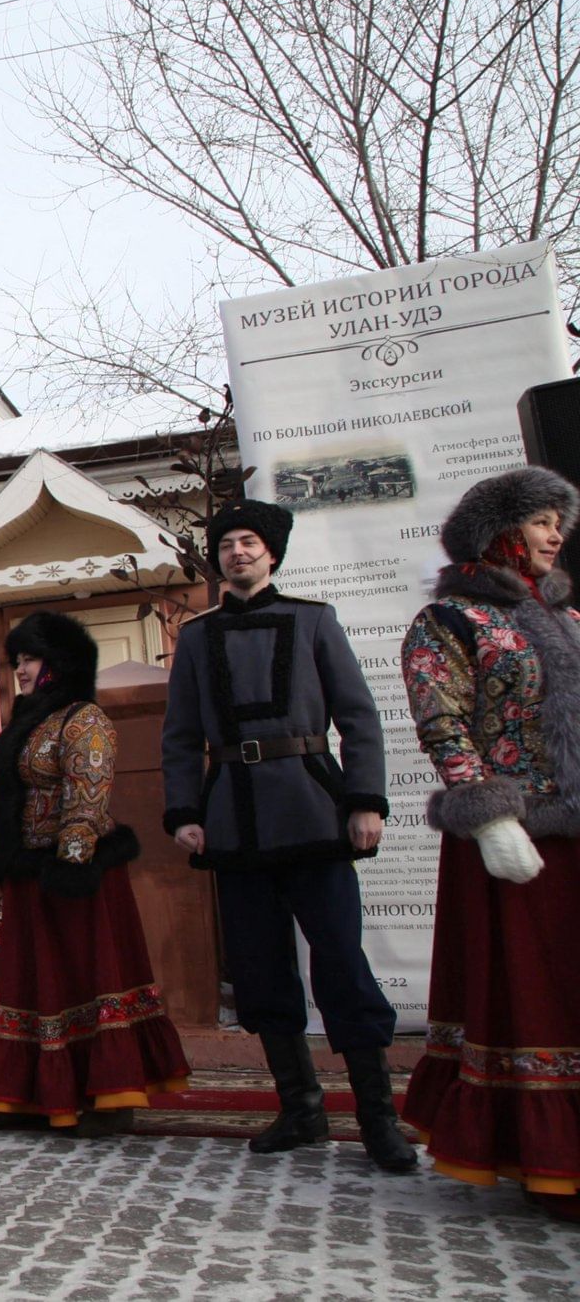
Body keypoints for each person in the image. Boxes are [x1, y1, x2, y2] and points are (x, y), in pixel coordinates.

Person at [160, 499, 415, 1173]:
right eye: (227, 544)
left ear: (271, 553)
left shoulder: (314, 621)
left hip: (312, 808)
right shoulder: (195, 637)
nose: (237, 552)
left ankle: (376, 1116)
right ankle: (300, 1106)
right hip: (234, 821)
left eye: (249, 542)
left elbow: (359, 717)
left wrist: (365, 800)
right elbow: (182, 734)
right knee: (259, 968)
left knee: (340, 961)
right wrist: (185, 810)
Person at [398, 466, 580, 1216]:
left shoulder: (566, 618)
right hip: (515, 838)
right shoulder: (451, 621)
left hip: (575, 828)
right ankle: (545, 1156)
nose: (555, 534)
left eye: (556, 522)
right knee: (532, 996)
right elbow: (443, 719)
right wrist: (491, 814)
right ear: (501, 532)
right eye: (541, 521)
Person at [0, 611, 190, 1134]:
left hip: (76, 876)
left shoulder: (83, 719)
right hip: (32, 875)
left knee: (88, 980)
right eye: (17, 660)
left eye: (30, 658)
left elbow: (87, 797)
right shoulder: (29, 720)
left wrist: (70, 866)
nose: (20, 670)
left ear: (60, 663)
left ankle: (109, 1098)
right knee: (36, 985)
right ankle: (32, 1095)